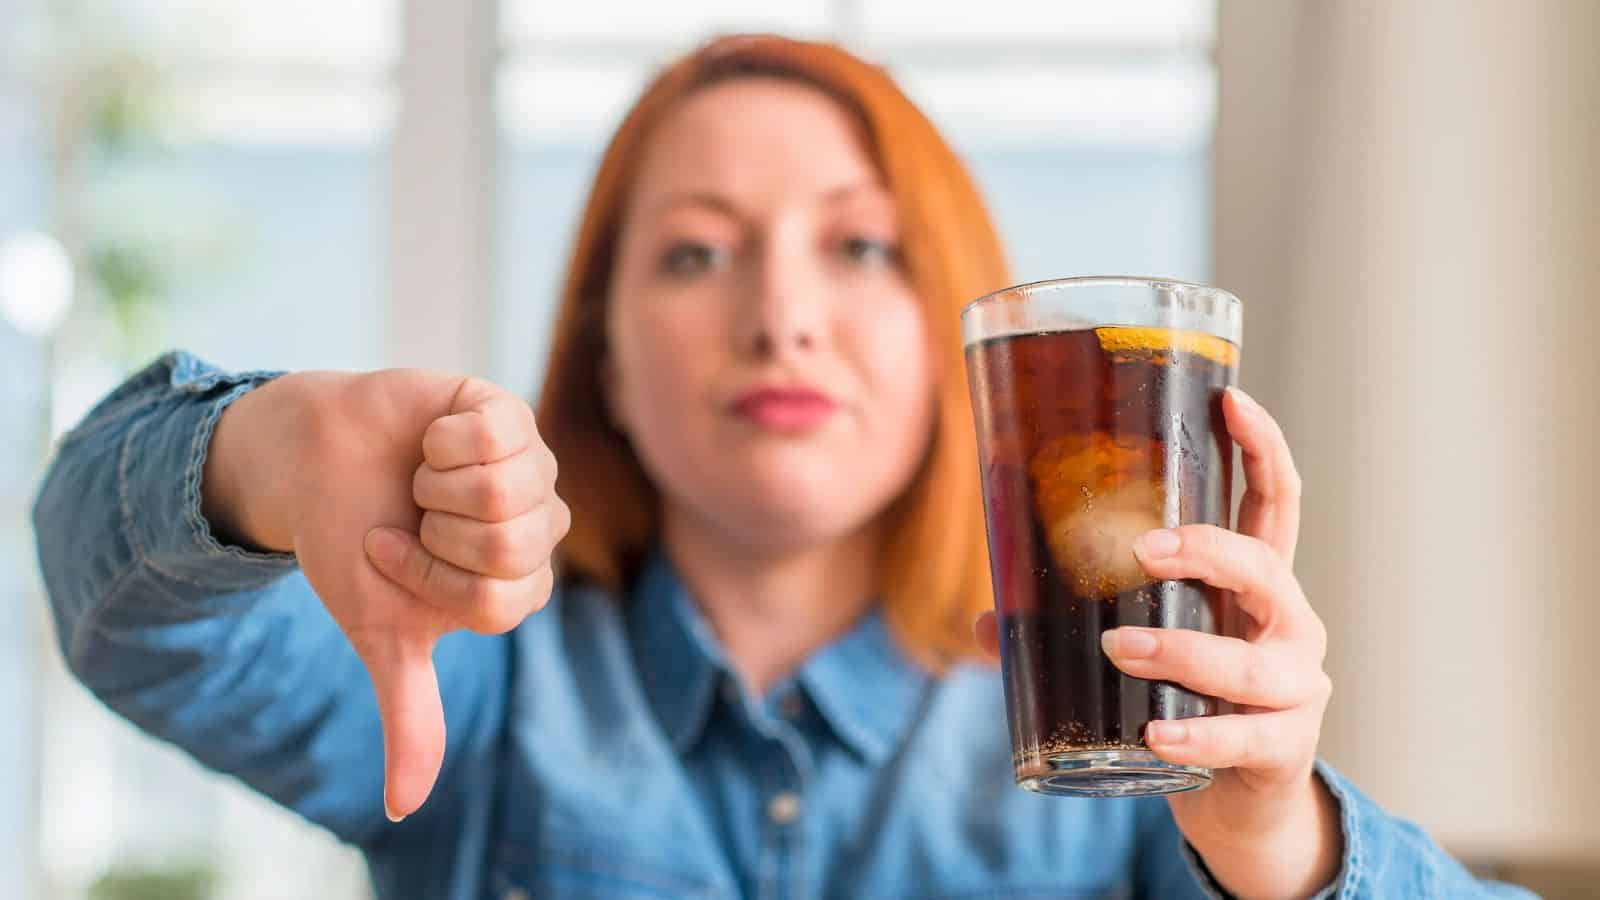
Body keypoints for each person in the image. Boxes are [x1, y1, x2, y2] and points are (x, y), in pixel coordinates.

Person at [34, 35, 1524, 900]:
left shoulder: (1125, 748)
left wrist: (1282, 839)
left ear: (961, 336)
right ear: (606, 351)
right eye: (696, 252)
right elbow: (117, 615)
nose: (781, 313)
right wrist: (254, 451)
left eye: (860, 245)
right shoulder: (481, 680)